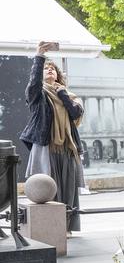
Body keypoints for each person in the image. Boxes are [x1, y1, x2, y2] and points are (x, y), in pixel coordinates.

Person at [20, 41, 85, 232]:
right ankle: (50, 228)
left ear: (58, 75)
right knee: (47, 187)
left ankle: (66, 227)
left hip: (67, 148)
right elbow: (33, 84)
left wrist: (63, 94)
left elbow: (75, 113)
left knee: (68, 188)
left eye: (53, 69)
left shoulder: (70, 95)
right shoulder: (38, 95)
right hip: (46, 146)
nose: (50, 70)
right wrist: (39, 56)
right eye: (46, 68)